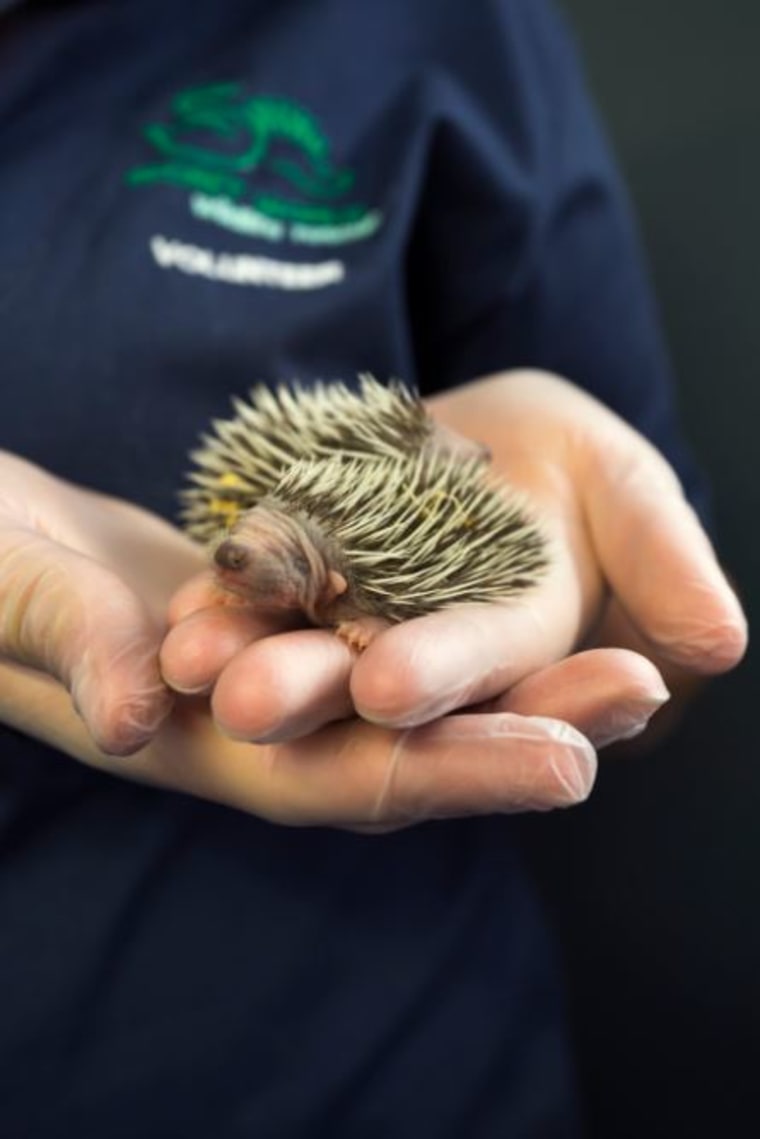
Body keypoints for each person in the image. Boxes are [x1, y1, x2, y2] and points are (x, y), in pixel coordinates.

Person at [0, 0, 746, 1135]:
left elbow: (666, 658)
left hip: (382, 1068)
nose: (239, 564)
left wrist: (588, 602)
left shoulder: (451, 28)